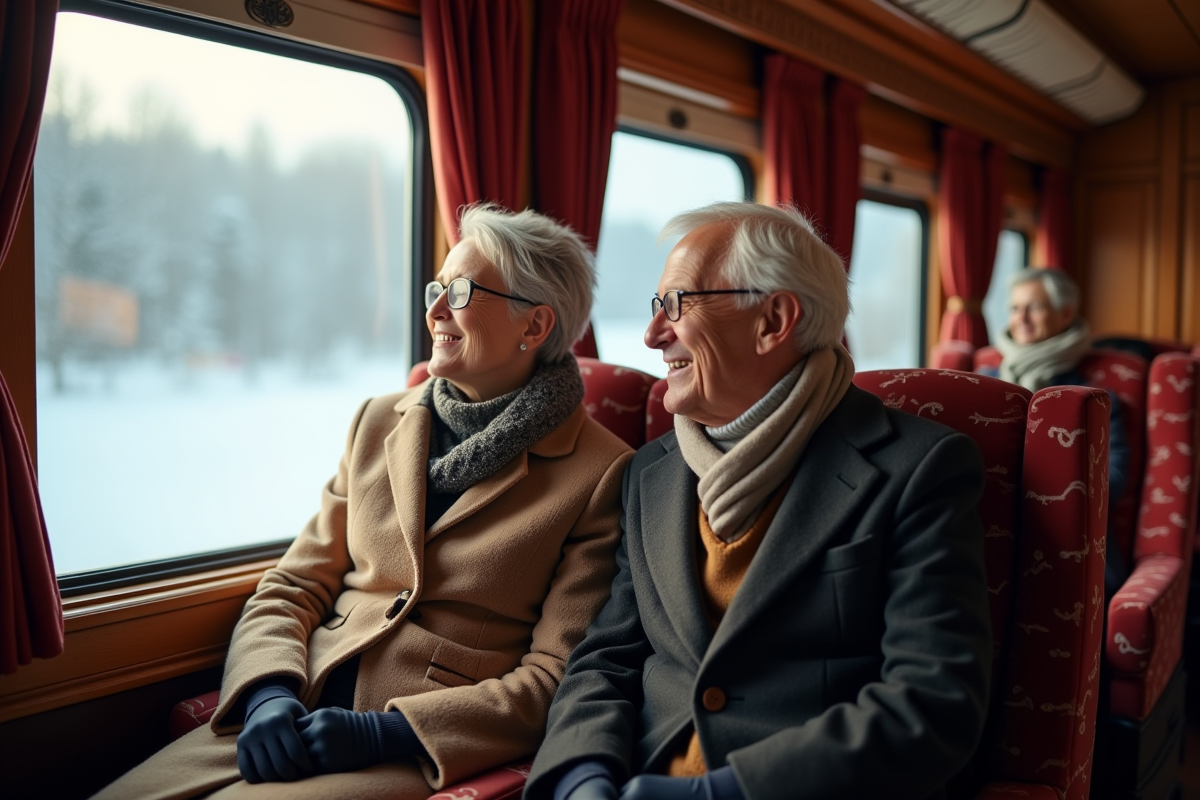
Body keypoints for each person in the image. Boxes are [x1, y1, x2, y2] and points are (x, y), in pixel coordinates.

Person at [93, 205, 633, 800]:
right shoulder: (377, 422)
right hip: (294, 705)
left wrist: (386, 733)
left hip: (412, 746)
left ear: (534, 325)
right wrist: (268, 692)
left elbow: (555, 678)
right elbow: (293, 585)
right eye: (436, 288)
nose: (435, 310)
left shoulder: (602, 472)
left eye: (459, 292)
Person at [524, 202, 993, 800]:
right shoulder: (651, 473)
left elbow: (933, 702)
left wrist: (719, 793)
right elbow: (605, 660)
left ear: (773, 320)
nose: (653, 334)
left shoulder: (919, 468)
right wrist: (581, 775)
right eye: (655, 306)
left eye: (677, 304)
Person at [987, 267, 1130, 595]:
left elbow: (1114, 478)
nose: (1021, 318)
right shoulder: (983, 380)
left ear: (1065, 314)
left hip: (1071, 543)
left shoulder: (1093, 398)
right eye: (1014, 308)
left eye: (1034, 307)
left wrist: (1038, 495)